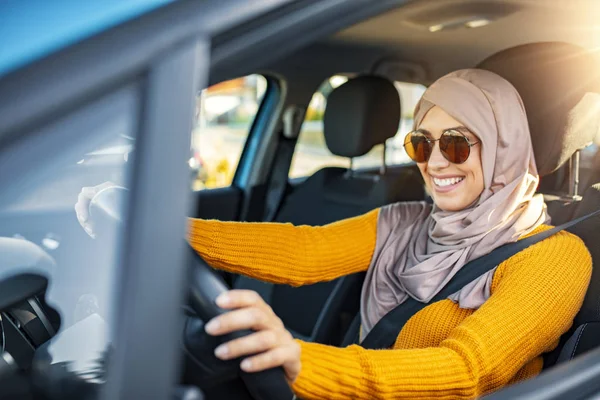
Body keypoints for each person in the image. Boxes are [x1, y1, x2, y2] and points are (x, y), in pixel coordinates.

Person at [76, 69, 592, 399]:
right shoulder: (406, 220)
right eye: (421, 143)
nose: (436, 163)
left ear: (501, 149)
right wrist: (160, 227)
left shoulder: (553, 258)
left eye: (458, 145)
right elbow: (304, 251)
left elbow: (467, 371)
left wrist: (302, 361)